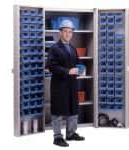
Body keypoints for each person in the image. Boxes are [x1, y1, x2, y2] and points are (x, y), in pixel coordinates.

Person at [48, 19, 85, 147]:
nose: (68, 34)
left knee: (73, 107)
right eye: (65, 31)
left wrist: (81, 70)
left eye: (70, 32)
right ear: (60, 32)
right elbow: (51, 67)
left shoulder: (73, 48)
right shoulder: (54, 48)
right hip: (59, 84)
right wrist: (67, 71)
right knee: (58, 110)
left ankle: (71, 133)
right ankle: (57, 137)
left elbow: (78, 63)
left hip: (72, 83)